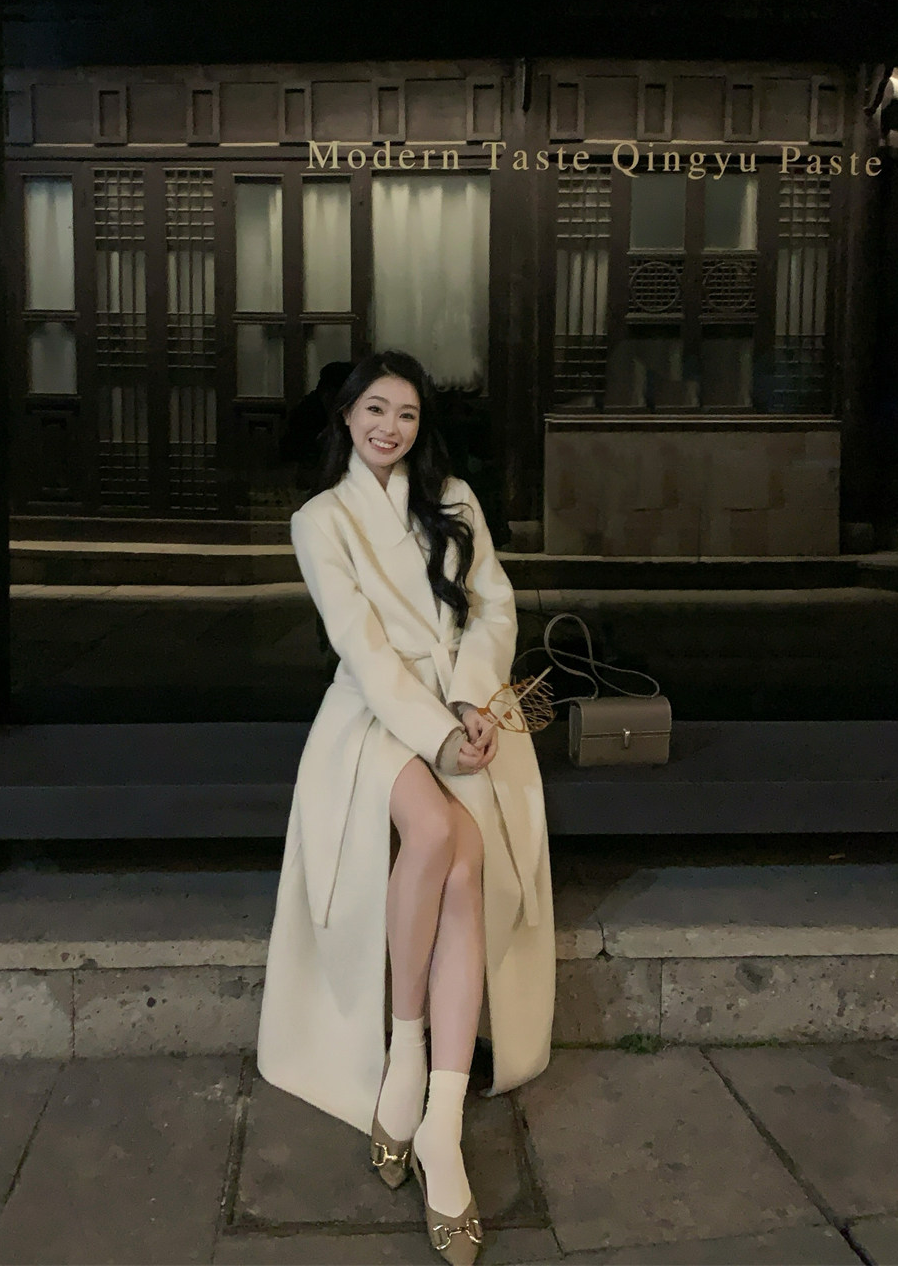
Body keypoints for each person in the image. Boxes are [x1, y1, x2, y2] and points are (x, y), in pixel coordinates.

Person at [257, 350, 555, 1265]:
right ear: (346, 417)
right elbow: (362, 647)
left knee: (466, 867)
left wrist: (471, 700)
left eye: (408, 415)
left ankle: (439, 1117)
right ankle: (406, 1051)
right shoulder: (322, 519)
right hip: (373, 715)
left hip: (465, 706)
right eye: (375, 410)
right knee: (435, 831)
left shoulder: (454, 500)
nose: (390, 427)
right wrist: (436, 732)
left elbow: (495, 607)